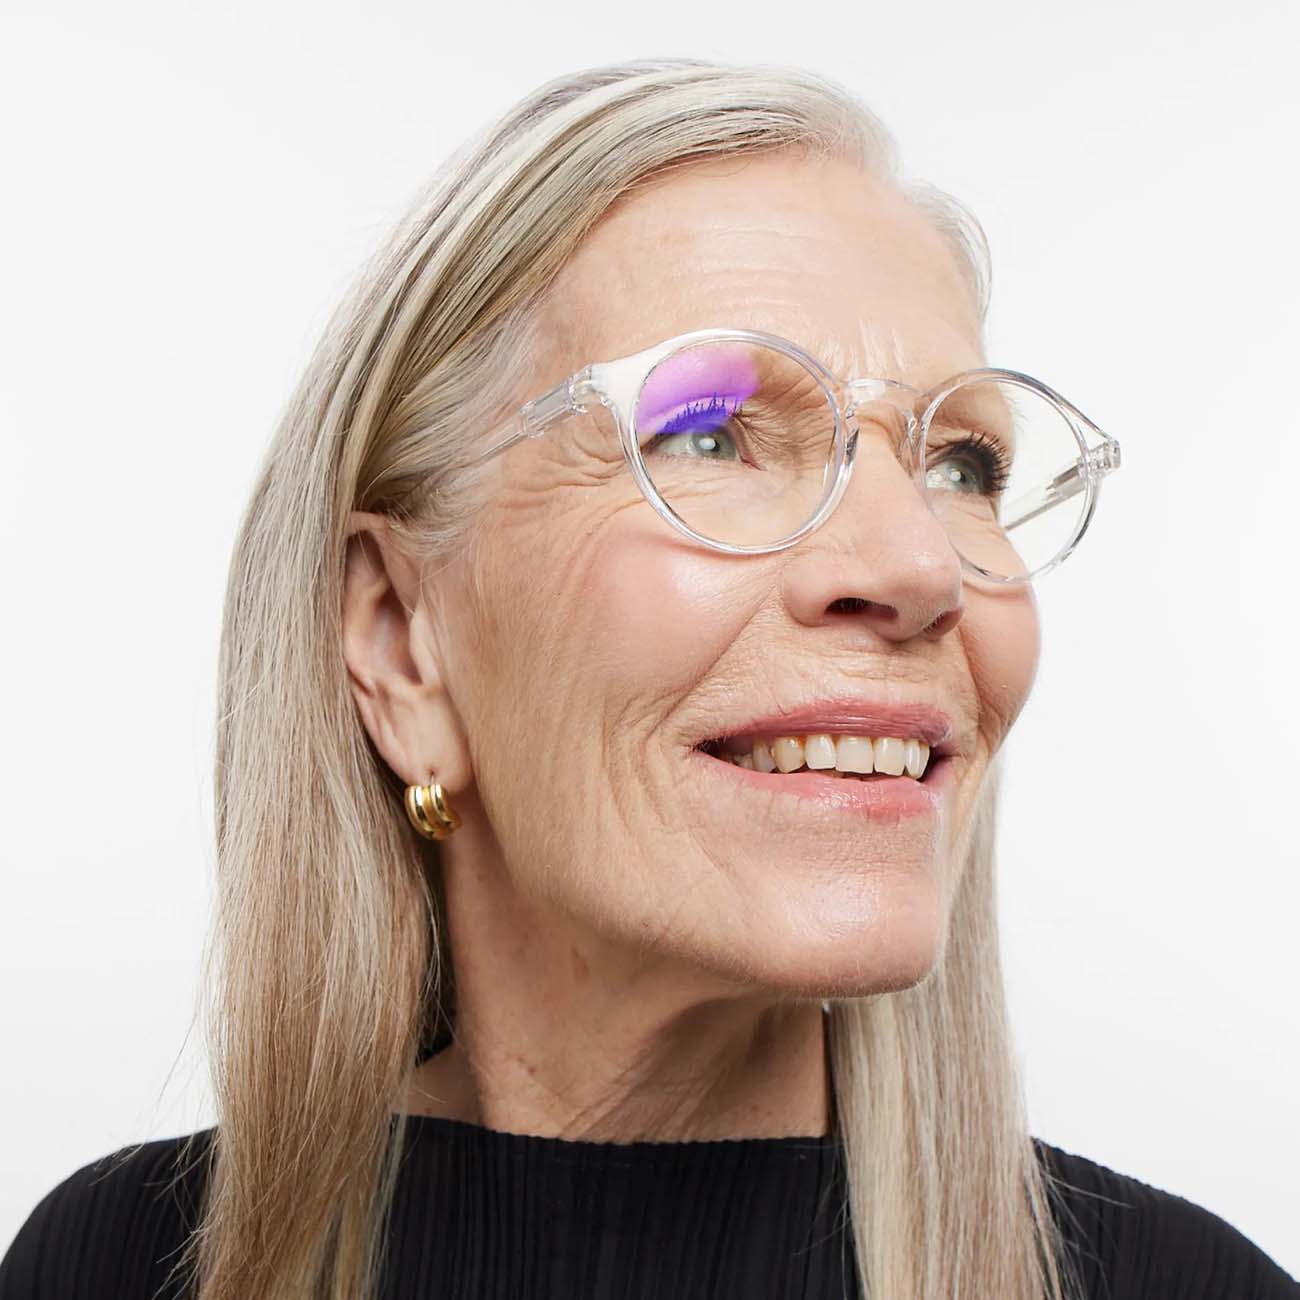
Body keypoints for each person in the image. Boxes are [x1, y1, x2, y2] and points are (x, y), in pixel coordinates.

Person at [1, 57, 1295, 1300]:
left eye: (962, 466)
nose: (919, 565)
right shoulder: (118, 1268)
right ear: (400, 641)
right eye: (712, 435)